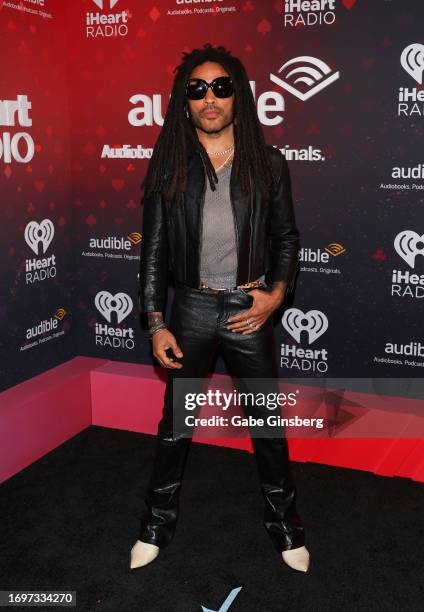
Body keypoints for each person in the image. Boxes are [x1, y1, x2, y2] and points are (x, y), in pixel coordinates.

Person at [130, 43, 310, 573]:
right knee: (175, 426)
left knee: (266, 426)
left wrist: (276, 295)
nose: (210, 98)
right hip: (189, 309)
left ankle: (286, 528)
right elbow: (154, 251)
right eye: (197, 89)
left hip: (248, 309)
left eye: (221, 87)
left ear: (240, 96)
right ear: (184, 102)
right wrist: (155, 321)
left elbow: (287, 237)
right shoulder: (169, 164)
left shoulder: (268, 162)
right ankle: (155, 525)